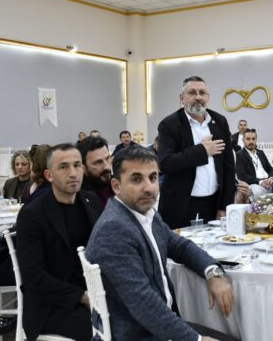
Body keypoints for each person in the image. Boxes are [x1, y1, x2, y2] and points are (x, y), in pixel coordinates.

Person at [85, 146, 234, 341]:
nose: (148, 188)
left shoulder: (144, 212)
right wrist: (196, 339)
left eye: (153, 177)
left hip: (158, 327)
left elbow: (180, 246)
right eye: (136, 179)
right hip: (138, 335)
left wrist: (212, 272)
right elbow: (143, 302)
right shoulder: (114, 229)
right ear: (116, 185)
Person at [15, 144, 102, 341]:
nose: (73, 173)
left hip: (94, 291)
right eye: (63, 167)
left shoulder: (91, 200)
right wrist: (81, 296)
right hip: (52, 303)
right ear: (49, 175)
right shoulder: (32, 214)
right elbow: (34, 276)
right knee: (106, 328)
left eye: (77, 165)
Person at [157, 76, 235, 229]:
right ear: (182, 98)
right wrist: (202, 151)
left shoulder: (220, 121)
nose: (198, 97)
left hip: (213, 205)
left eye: (202, 93)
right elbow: (166, 163)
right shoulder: (169, 124)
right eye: (192, 92)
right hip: (181, 206)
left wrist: (224, 205)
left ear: (208, 97)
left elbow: (228, 167)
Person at [235, 128, 273, 198]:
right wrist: (261, 182)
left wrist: (271, 178)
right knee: (257, 191)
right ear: (243, 140)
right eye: (248, 139)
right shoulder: (240, 154)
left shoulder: (261, 152)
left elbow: (270, 168)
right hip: (254, 183)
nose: (251, 141)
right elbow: (242, 175)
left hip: (268, 182)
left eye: (253, 139)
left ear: (256, 140)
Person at [78, 136, 114, 209]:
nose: (107, 166)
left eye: (107, 158)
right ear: (84, 167)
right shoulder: (78, 198)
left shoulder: (119, 184)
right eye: (98, 162)